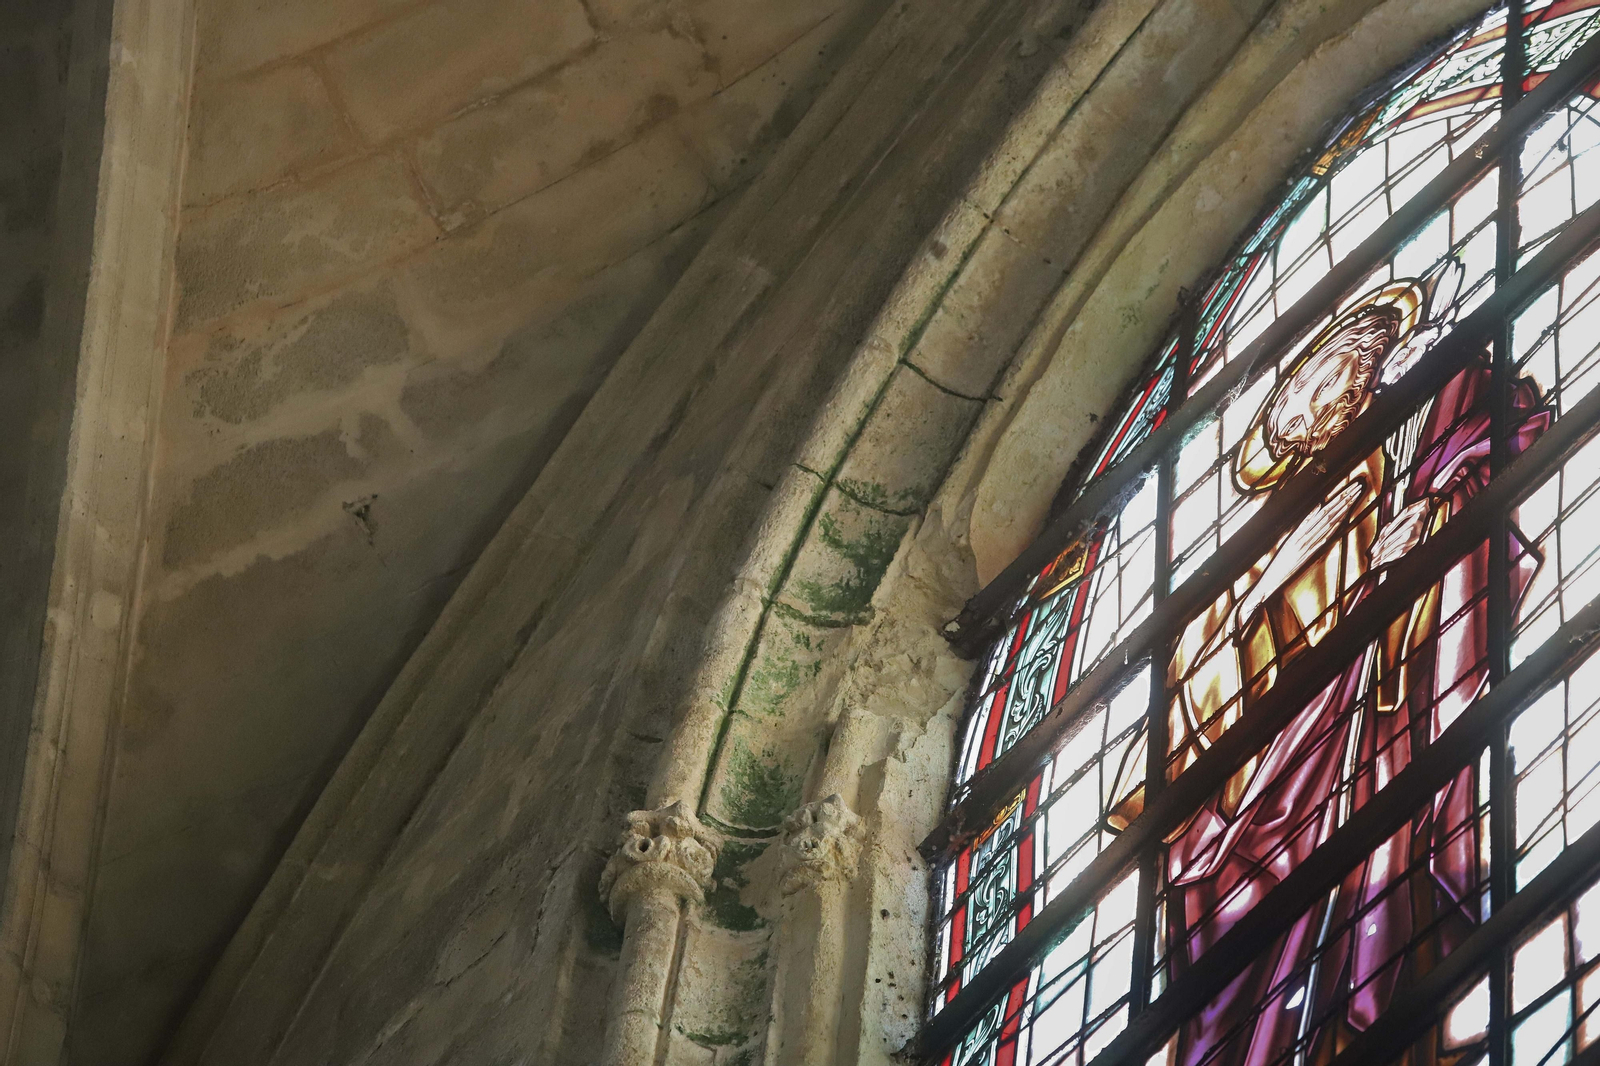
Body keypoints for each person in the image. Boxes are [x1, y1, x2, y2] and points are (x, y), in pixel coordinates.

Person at [1160, 262, 1550, 1066]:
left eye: (1351, 367)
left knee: (1376, 909)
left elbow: (1510, 425)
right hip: (1269, 773)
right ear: (1289, 423)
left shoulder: (1417, 427)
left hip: (1373, 731)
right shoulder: (1258, 540)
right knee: (1237, 922)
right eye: (1313, 386)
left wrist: (1437, 520)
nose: (1334, 389)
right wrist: (1258, 595)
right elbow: (1198, 697)